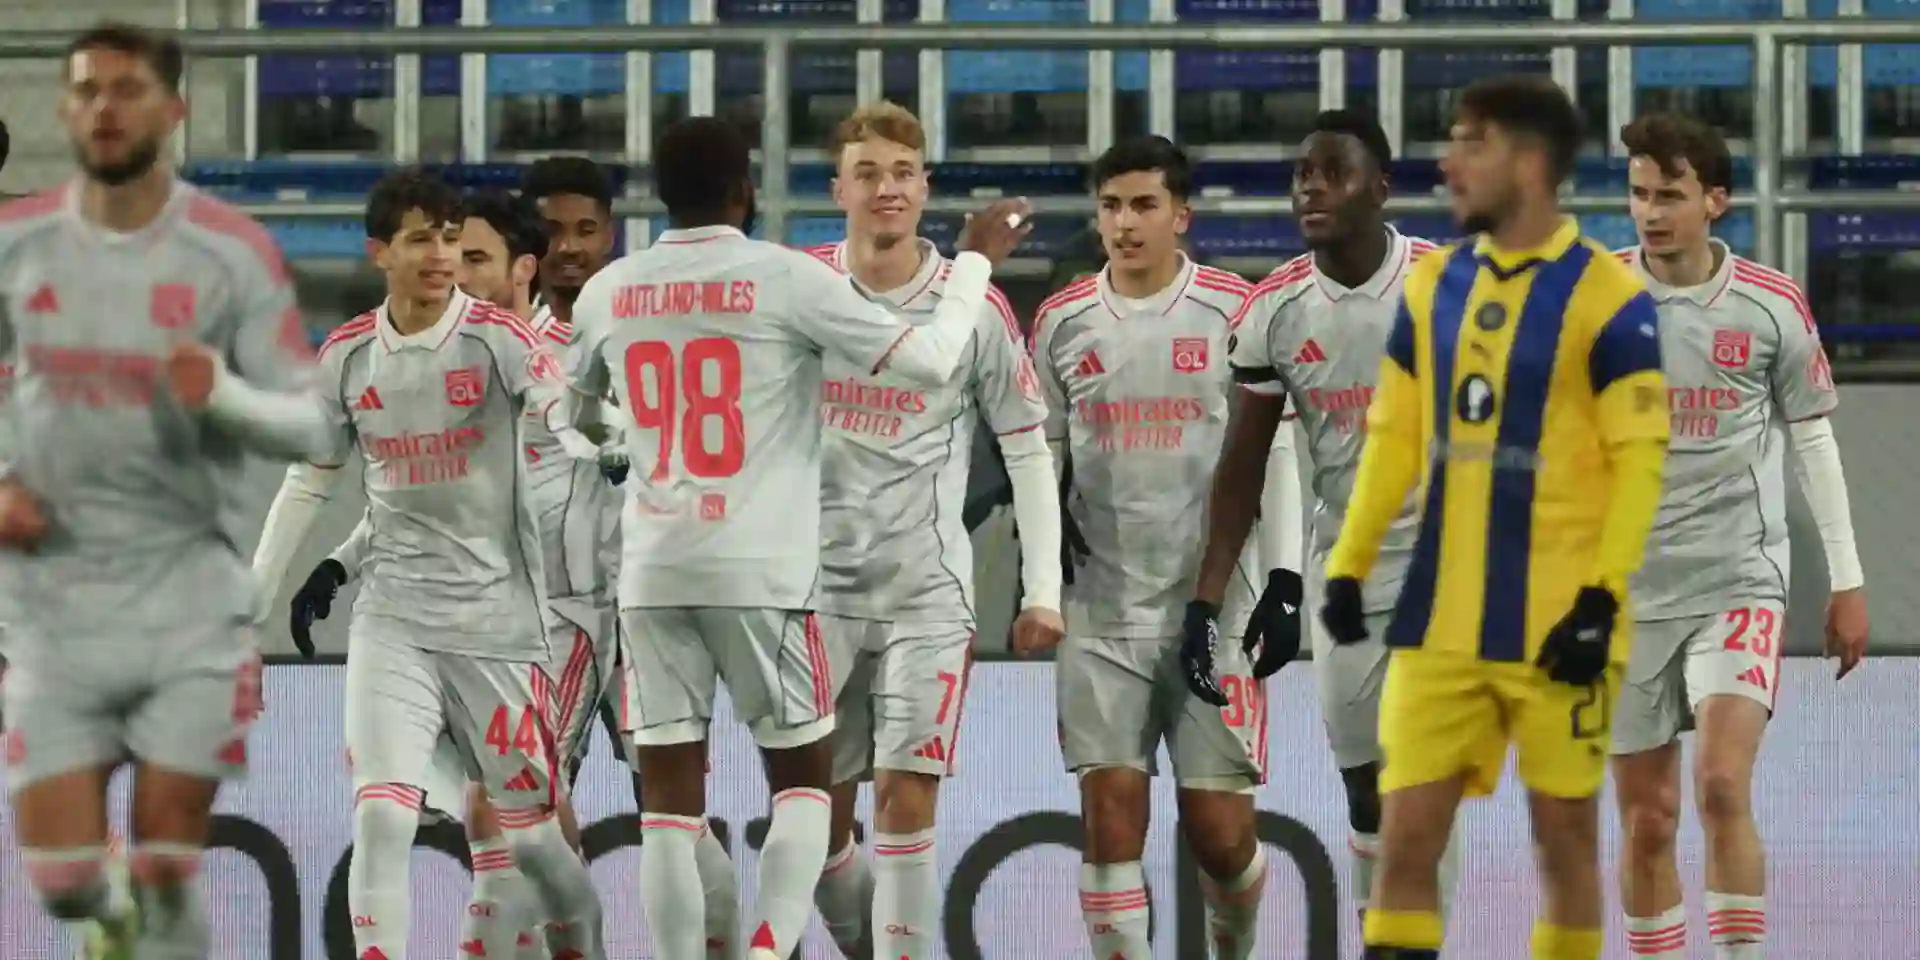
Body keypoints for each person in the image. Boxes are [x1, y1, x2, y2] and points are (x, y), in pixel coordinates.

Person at [561, 116, 1030, 960]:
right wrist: (974, 262)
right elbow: (930, 360)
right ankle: (770, 948)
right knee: (807, 789)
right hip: (766, 571)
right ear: (745, 190)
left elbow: (574, 417)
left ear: (656, 195)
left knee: (667, 810)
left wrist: (625, 449)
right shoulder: (784, 277)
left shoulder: (609, 290)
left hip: (654, 570)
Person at [0, 21, 337, 959]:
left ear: (175, 109)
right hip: (55, 605)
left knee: (165, 859)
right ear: (65, 111)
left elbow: (315, 427)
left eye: (128, 89)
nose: (106, 108)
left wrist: (222, 395)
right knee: (66, 880)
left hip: (183, 600)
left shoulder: (229, 254)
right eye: (88, 91)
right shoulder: (22, 256)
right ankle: (105, 914)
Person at [1319, 74, 1672, 960]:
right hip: (1439, 623)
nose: (1449, 161)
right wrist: (1349, 564)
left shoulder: (1608, 297)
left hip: (1561, 627)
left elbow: (1639, 461)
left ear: (1529, 161)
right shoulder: (1434, 285)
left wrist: (1602, 597)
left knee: (1563, 844)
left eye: (1470, 142)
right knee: (1404, 838)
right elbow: (1395, 439)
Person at [249, 168, 607, 960]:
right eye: (423, 240)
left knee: (535, 840)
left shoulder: (499, 339)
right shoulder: (348, 354)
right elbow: (311, 478)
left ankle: (584, 936)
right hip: (394, 618)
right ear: (380, 252)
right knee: (382, 812)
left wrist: (603, 441)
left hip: (498, 625)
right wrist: (259, 599)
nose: (442, 255)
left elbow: (563, 412)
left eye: (451, 239)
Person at [800, 101, 1065, 960]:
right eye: (867, 173)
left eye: (903, 173)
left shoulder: (972, 304)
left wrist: (1042, 592)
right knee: (814, 830)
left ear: (925, 187)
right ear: (837, 189)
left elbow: (1025, 445)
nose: (887, 189)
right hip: (811, 596)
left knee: (906, 800)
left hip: (927, 595)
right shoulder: (799, 290)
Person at [1195, 109, 1465, 932]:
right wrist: (1210, 600)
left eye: (1332, 173)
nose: (1311, 189)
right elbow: (1242, 467)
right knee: (1364, 784)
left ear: (1380, 187)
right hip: (1346, 564)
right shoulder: (1276, 310)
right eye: (1301, 175)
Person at [1609, 112, 1869, 960]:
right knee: (1648, 820)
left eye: (1669, 195)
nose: (1650, 213)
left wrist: (1847, 579)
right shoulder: (1592, 300)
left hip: (1738, 580)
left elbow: (1814, 440)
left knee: (1721, 785)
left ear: (1715, 201)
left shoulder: (1770, 302)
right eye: (1639, 194)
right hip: (1623, 594)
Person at [1028, 135, 1279, 960]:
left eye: (1144, 205)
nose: (1125, 223)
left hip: (1215, 612)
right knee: (1108, 822)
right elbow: (1039, 455)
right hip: (1100, 612)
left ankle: (1233, 944)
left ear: (1182, 216)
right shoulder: (1062, 321)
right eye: (1111, 206)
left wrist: (1279, 576)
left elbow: (1270, 450)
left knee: (1221, 838)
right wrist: (1039, 578)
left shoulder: (1233, 310)